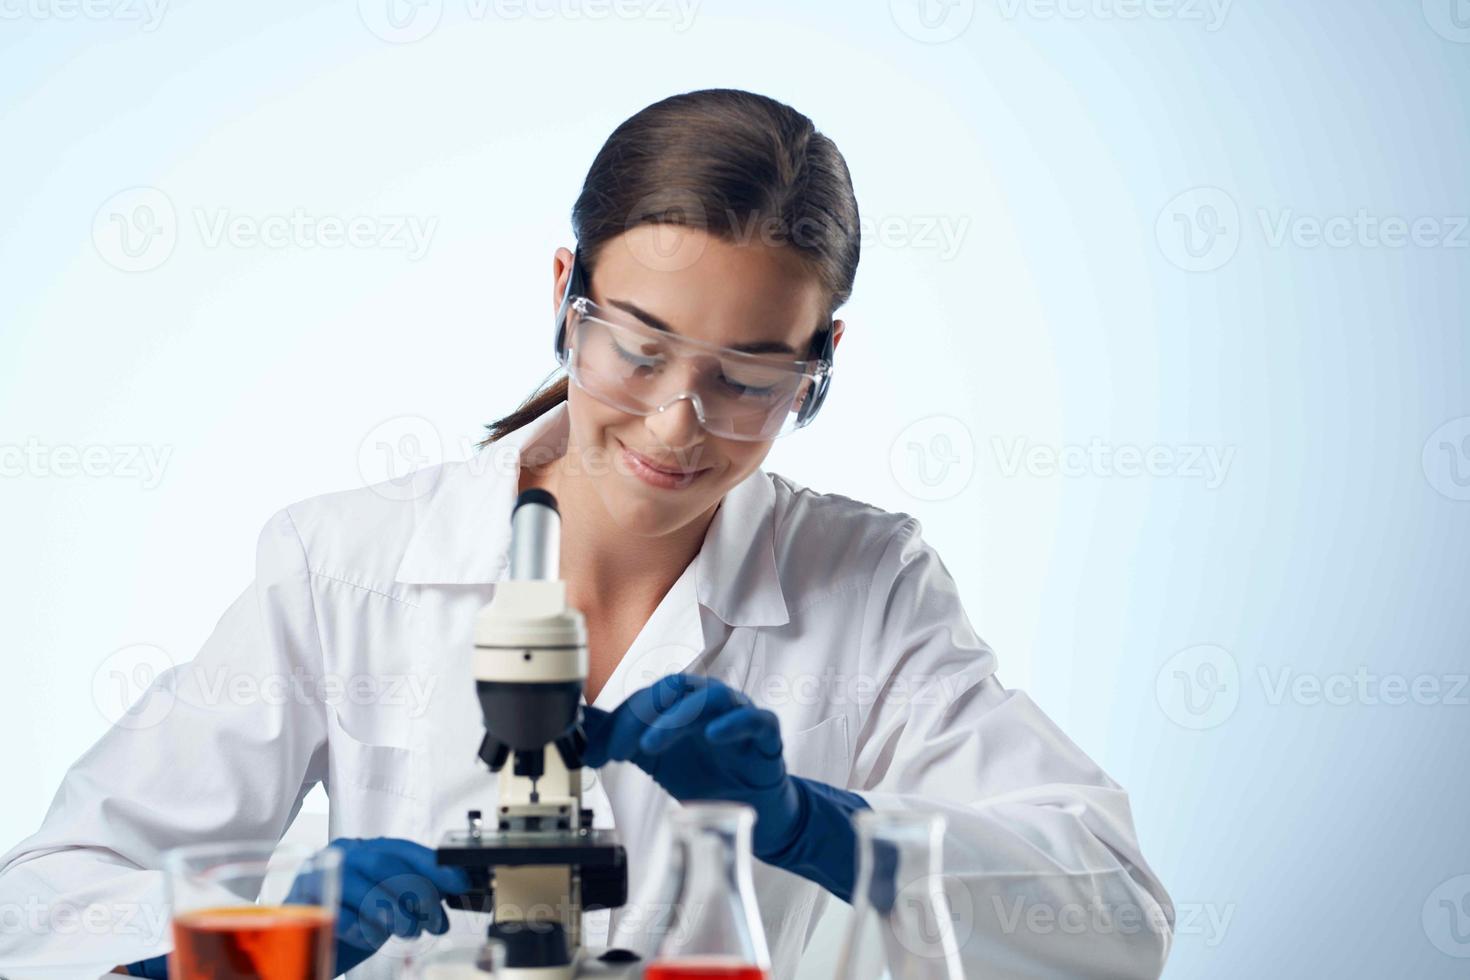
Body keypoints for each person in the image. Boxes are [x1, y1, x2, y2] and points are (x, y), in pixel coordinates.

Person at [0, 88, 1173, 979]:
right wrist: (266, 937)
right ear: (567, 291)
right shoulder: (345, 565)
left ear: (823, 361)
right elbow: (50, 896)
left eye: (751, 376)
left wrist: (805, 822)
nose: (678, 422)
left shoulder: (866, 583)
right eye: (639, 347)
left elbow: (1115, 918)